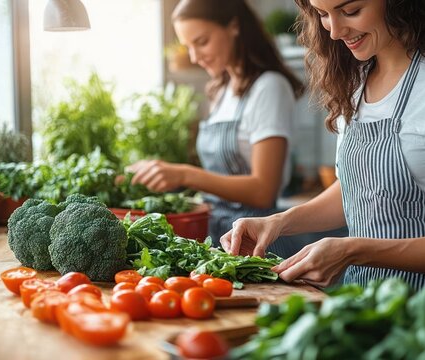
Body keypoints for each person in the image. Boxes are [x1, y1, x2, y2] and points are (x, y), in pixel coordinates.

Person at [220, 0, 425, 309]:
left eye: (350, 10)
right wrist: (278, 222)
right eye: (322, 14)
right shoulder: (356, 81)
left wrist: (353, 250)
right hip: (360, 311)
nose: (334, 31)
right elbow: (362, 191)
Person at [127, 0, 305, 256]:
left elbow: (264, 190)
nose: (194, 57)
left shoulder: (269, 87)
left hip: (256, 244)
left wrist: (185, 174)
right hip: (219, 237)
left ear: (233, 26)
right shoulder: (220, 91)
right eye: (188, 46)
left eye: (201, 42)